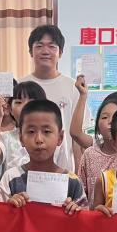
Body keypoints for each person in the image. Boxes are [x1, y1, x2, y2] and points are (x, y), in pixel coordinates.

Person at [0, 99, 87, 214]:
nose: (39, 139)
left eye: (46, 131)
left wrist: (76, 211)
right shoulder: (11, 178)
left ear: (60, 138)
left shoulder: (72, 182)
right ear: (21, 139)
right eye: (31, 132)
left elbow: (85, 219)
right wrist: (8, 207)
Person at [21, 25, 89, 172]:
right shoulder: (21, 86)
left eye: (52, 46)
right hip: (25, 168)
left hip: (63, 169)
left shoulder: (73, 87)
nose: (45, 51)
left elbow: (77, 137)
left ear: (61, 53)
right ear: (31, 51)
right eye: (39, 46)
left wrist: (77, 173)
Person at [70, 82, 117, 206]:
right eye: (104, 117)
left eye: (116, 117)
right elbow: (81, 195)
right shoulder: (90, 153)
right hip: (93, 216)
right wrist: (83, 96)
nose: (110, 121)